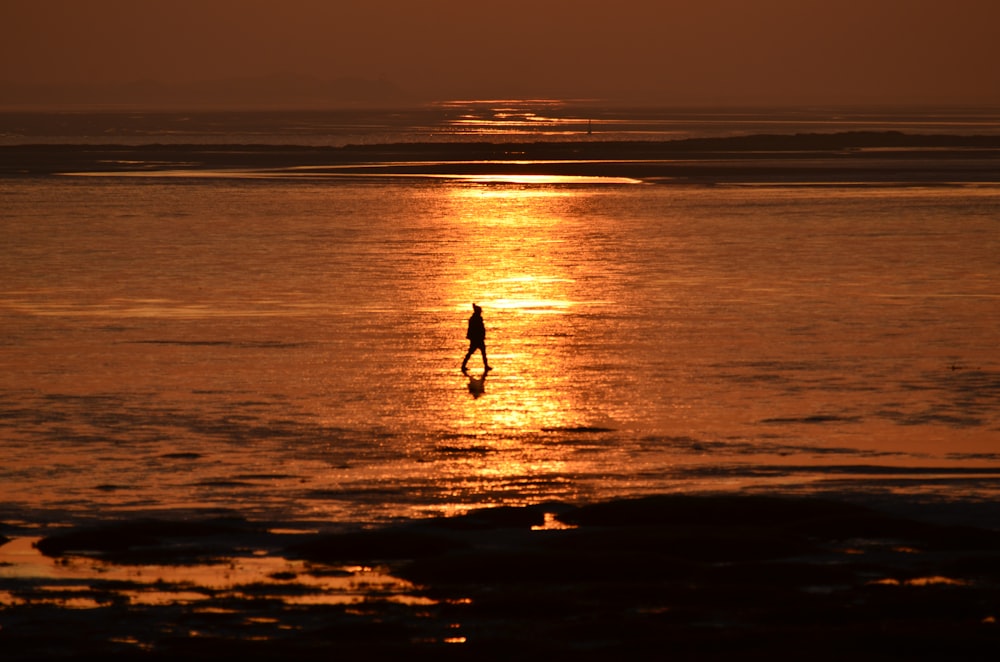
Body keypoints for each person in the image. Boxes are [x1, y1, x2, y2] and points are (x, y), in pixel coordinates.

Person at [461, 303, 491, 373]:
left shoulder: (475, 318)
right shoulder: (475, 319)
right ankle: (463, 366)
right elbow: (475, 329)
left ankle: (486, 366)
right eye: (480, 311)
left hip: (478, 338)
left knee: (482, 352)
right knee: (472, 352)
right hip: (477, 339)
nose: (481, 312)